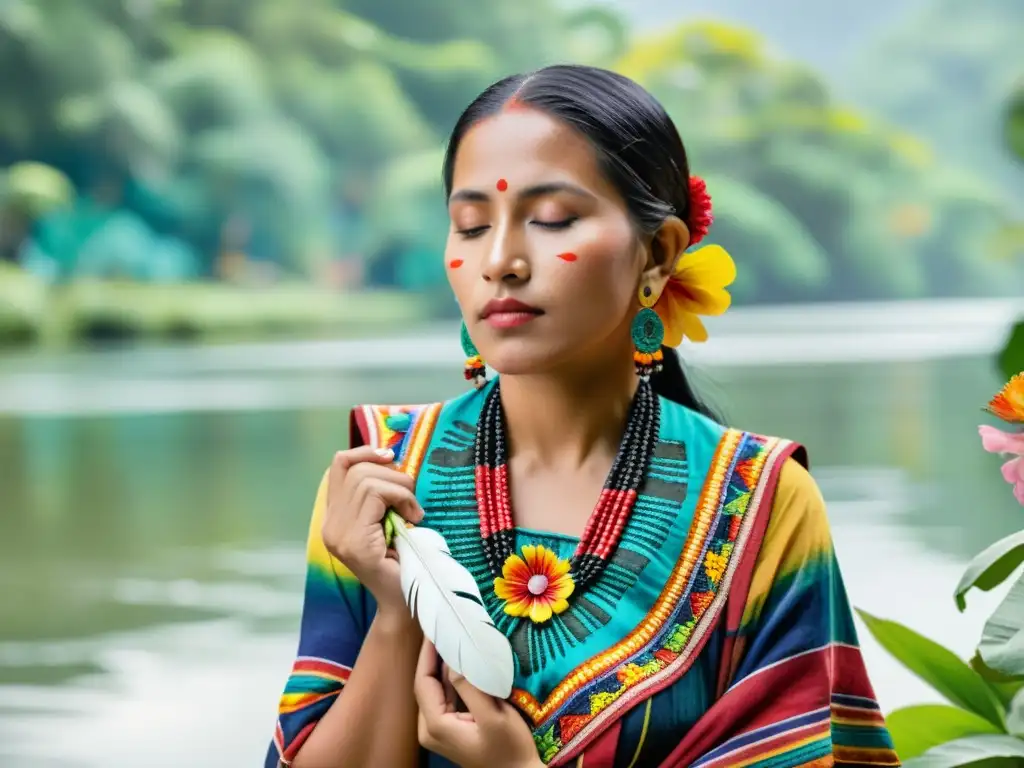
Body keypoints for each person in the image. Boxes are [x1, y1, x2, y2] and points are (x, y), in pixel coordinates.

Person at [265, 65, 900, 768]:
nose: (500, 261)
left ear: (657, 255)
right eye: (471, 225)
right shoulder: (377, 484)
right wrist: (396, 616)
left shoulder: (763, 504)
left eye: (553, 219)